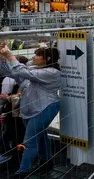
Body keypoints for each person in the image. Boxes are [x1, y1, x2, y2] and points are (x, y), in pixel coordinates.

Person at [0, 46, 61, 178]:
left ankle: (22, 172)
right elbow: (13, 72)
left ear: (47, 59)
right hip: (31, 108)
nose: (33, 57)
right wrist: (3, 58)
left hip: (45, 108)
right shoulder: (36, 68)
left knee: (30, 141)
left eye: (37, 55)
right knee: (41, 135)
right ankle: (46, 162)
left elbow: (22, 72)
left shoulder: (52, 73)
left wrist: (10, 55)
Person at [0, 55, 28, 170]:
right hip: (23, 111)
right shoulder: (27, 77)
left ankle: (12, 157)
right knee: (17, 134)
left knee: (10, 133)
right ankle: (18, 157)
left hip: (12, 112)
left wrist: (6, 99)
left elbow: (3, 97)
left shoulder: (9, 79)